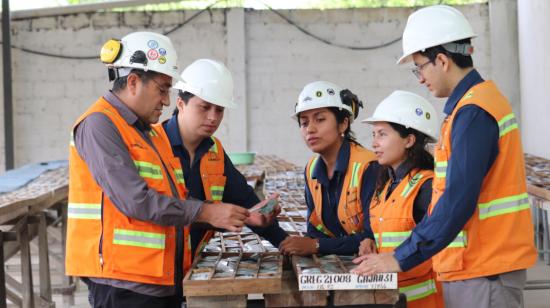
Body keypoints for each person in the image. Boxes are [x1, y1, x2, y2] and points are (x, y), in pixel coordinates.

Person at [352, 5, 537, 308]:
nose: (420, 78)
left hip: (485, 267)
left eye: (420, 67)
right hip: (473, 266)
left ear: (442, 60)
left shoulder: (474, 111)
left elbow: (457, 200)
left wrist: (400, 257)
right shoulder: (468, 108)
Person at [66, 32, 250, 308]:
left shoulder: (148, 133)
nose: (166, 101)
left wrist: (215, 212)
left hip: (156, 279)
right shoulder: (99, 125)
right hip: (123, 284)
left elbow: (171, 197)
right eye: (163, 89)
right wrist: (206, 211)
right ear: (133, 82)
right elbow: (136, 200)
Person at [158, 58, 288, 257]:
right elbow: (154, 206)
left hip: (190, 263)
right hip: (152, 270)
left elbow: (244, 200)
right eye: (204, 107)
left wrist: (282, 240)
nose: (213, 117)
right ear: (181, 103)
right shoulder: (152, 144)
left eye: (219, 109)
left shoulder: (214, 151)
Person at [360, 90, 443, 307]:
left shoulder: (426, 186)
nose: (374, 144)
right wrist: (370, 241)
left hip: (422, 301)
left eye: (382, 134)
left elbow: (437, 239)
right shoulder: (386, 184)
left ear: (409, 140)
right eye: (373, 135)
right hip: (391, 298)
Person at [279, 81, 378, 256]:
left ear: (343, 124)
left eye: (320, 119)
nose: (310, 129)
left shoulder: (368, 166)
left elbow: (373, 236)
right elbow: (315, 228)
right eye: (304, 122)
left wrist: (317, 246)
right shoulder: (311, 170)